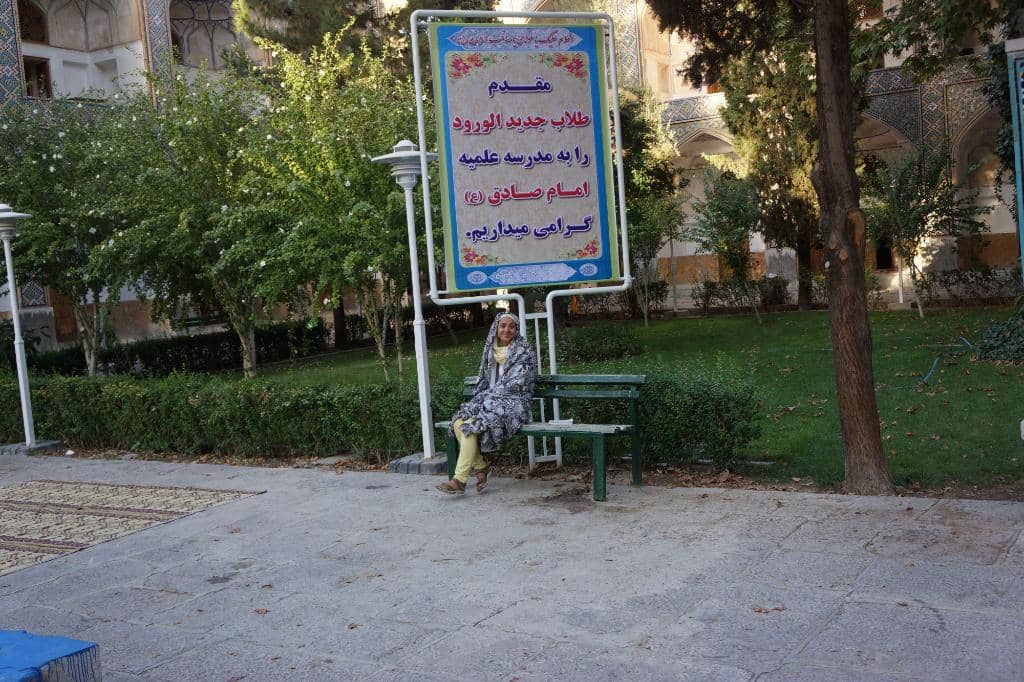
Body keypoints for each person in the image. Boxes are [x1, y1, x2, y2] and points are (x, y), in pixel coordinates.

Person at [436, 312, 537, 494]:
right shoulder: (490, 349)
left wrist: (488, 398)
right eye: (503, 326)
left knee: (469, 425)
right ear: (496, 328)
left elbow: (517, 383)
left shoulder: (524, 350)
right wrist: (484, 399)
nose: (507, 329)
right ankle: (481, 466)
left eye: (511, 326)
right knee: (459, 423)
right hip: (490, 400)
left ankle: (459, 479)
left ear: (516, 329)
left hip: (514, 403)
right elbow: (483, 379)